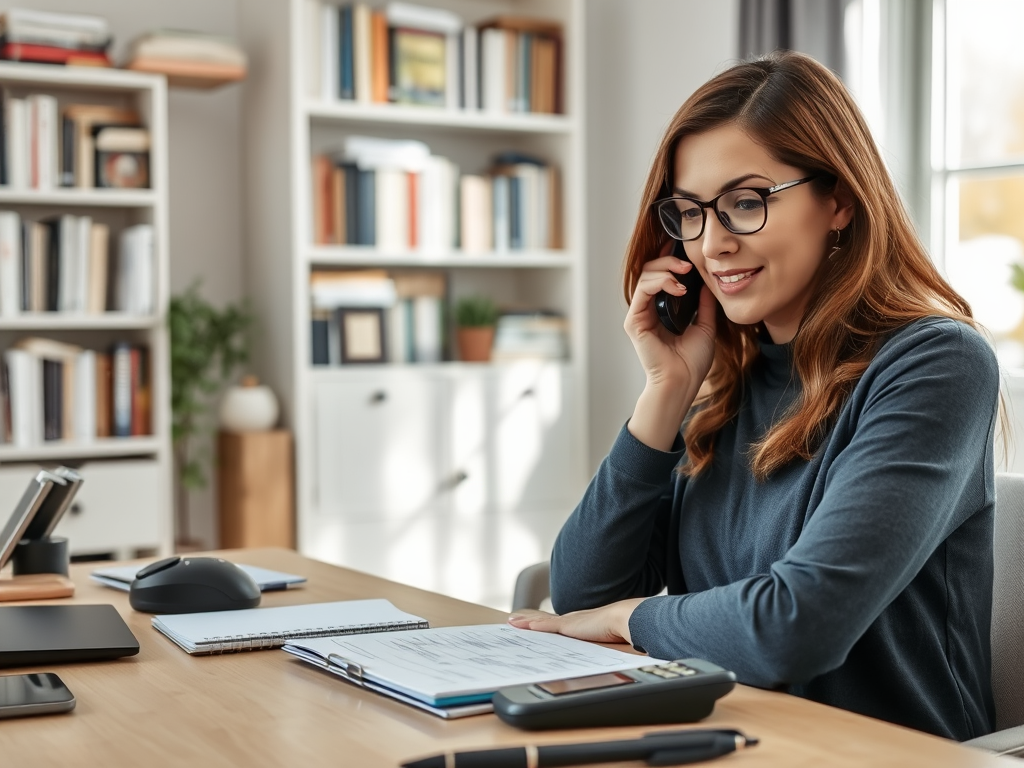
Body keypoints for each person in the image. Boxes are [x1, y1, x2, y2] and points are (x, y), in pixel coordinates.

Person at [507, 50, 998, 741]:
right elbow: (583, 594)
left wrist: (630, 620)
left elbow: (797, 626)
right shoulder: (725, 380)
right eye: (690, 213)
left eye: (745, 203)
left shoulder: (936, 363)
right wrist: (665, 390)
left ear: (839, 201)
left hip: (875, 754)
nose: (713, 244)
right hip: (727, 735)